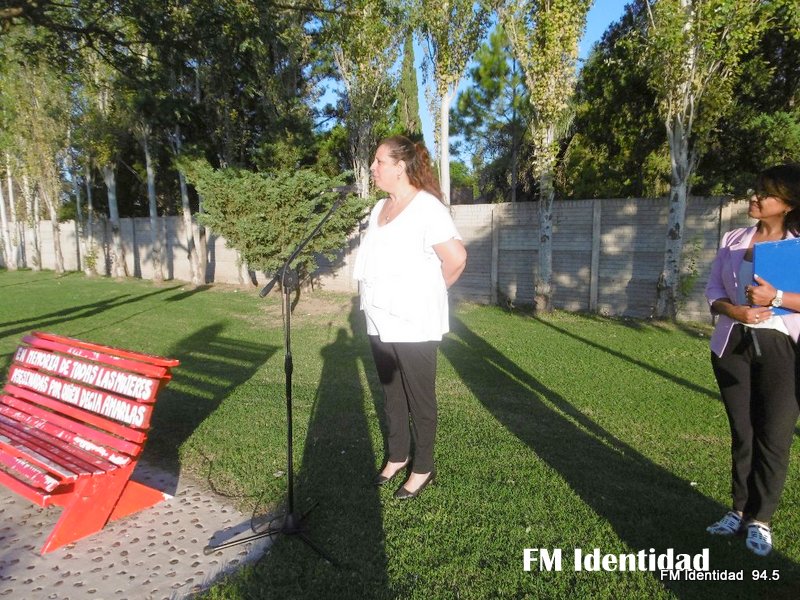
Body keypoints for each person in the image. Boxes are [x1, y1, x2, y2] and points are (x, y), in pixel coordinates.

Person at [353, 135, 467, 500]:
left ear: (400, 167)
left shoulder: (427, 208)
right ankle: (398, 456)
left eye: (379, 162)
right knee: (391, 392)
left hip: (414, 320)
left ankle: (423, 467)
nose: (373, 168)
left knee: (419, 397)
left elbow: (457, 259)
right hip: (379, 317)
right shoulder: (379, 210)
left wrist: (431, 294)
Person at [704, 163, 800, 556]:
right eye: (756, 188)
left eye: (766, 193)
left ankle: (761, 520)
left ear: (789, 204)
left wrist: (775, 299)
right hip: (734, 346)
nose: (755, 197)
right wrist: (734, 311)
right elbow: (712, 289)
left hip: (783, 351)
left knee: (773, 438)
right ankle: (739, 510)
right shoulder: (733, 238)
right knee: (743, 435)